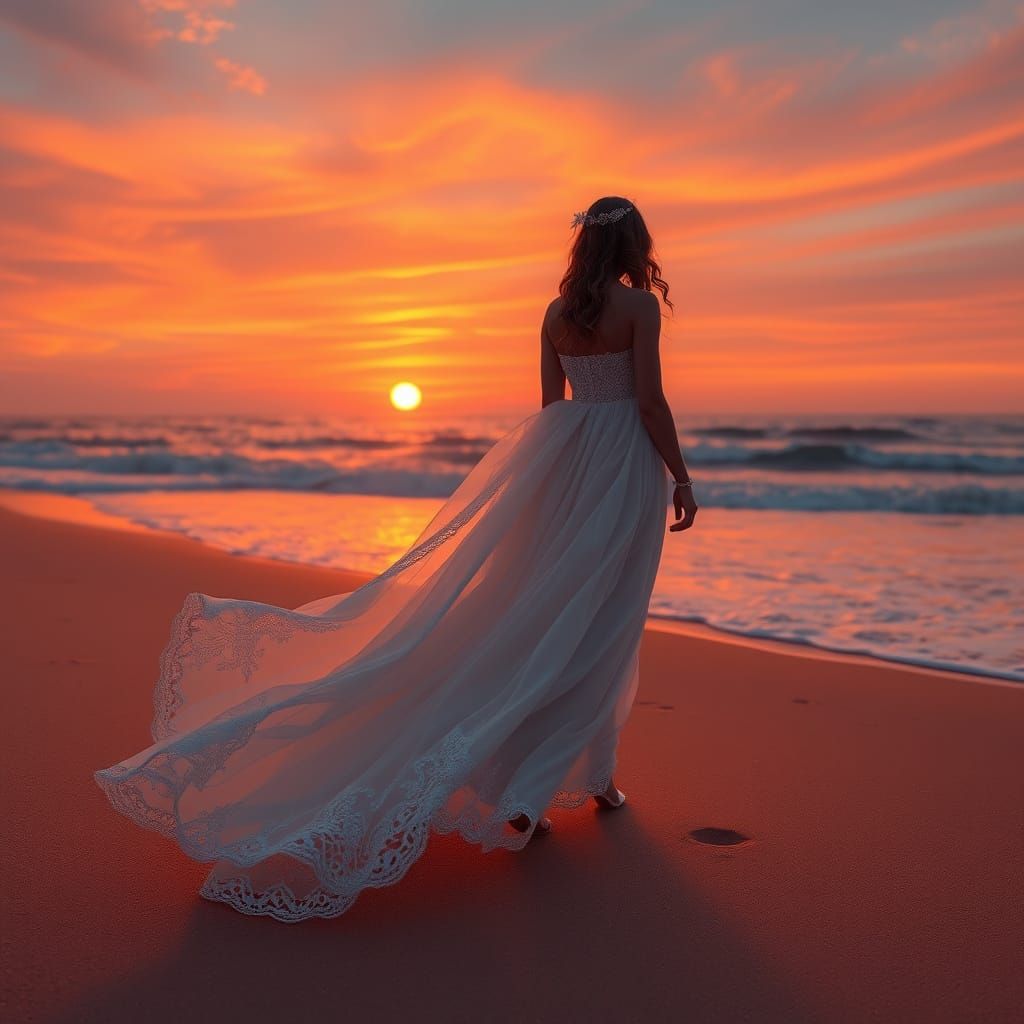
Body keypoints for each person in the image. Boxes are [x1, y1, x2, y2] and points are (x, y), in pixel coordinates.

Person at [93, 195, 698, 923]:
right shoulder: (640, 310)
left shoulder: (553, 311)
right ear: (634, 245)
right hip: (622, 469)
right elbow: (650, 403)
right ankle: (564, 782)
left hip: (564, 465)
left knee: (547, 616)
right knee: (605, 618)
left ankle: (574, 777)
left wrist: (545, 485)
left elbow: (551, 409)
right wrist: (683, 475)